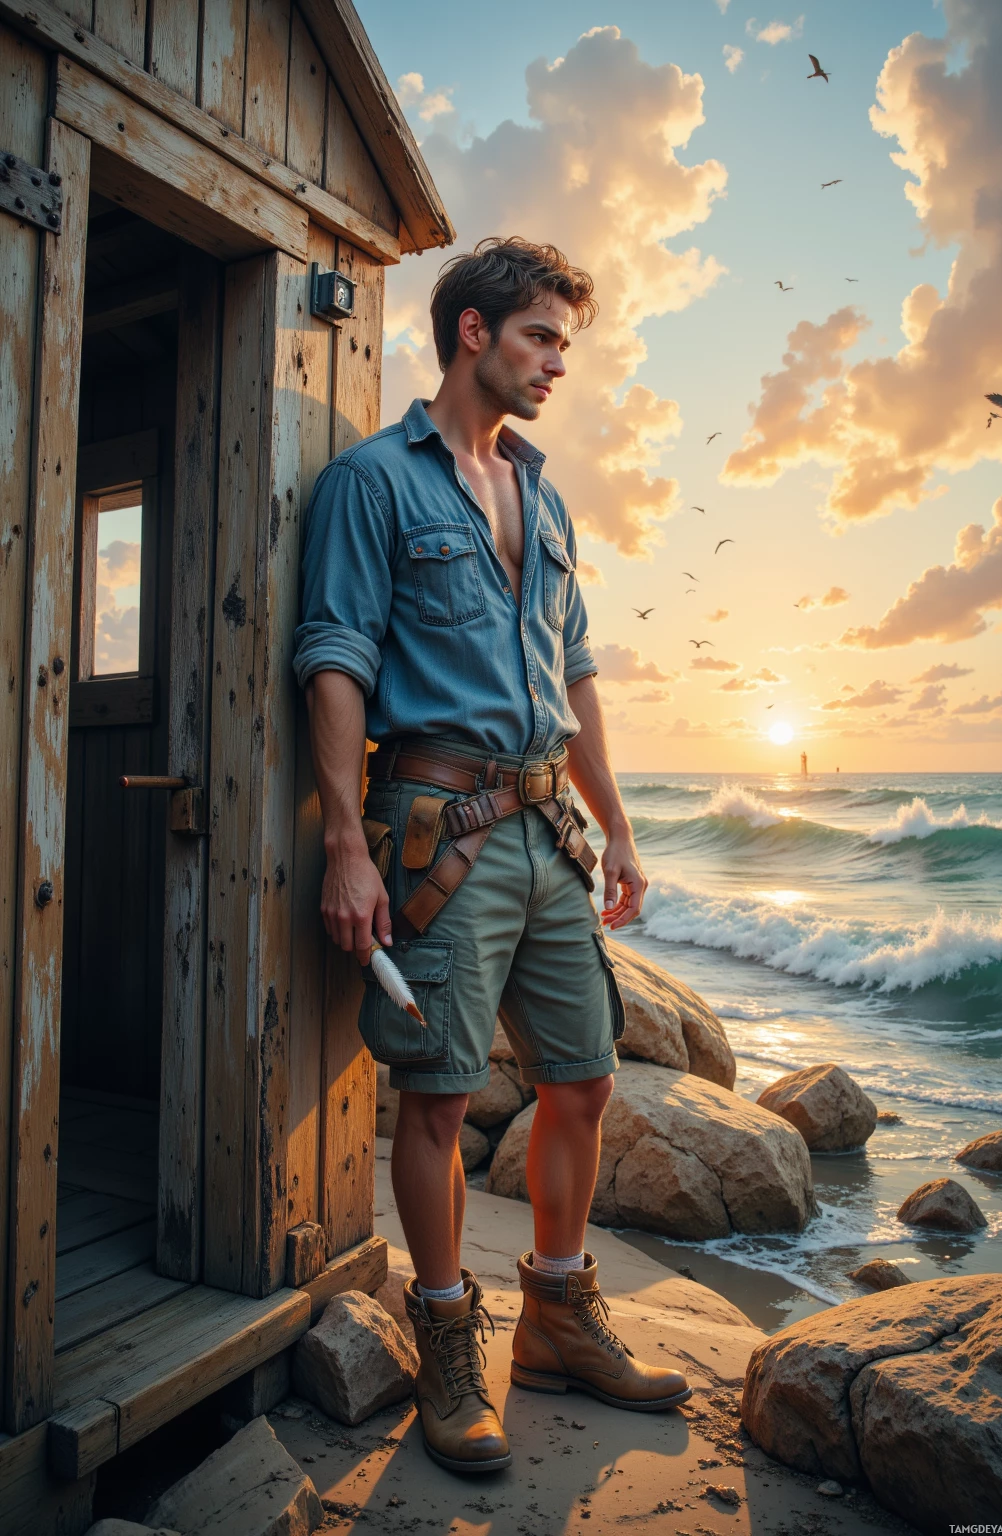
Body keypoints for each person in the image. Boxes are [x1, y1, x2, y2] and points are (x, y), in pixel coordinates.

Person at [293, 237, 690, 1476]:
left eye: (565, 342)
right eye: (540, 338)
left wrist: (617, 827)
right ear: (473, 332)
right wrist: (346, 842)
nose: (558, 362)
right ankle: (448, 1342)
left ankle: (558, 1318)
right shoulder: (373, 483)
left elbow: (575, 674)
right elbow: (335, 657)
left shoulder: (545, 496)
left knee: (583, 1080)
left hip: (548, 827)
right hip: (438, 830)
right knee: (440, 1095)